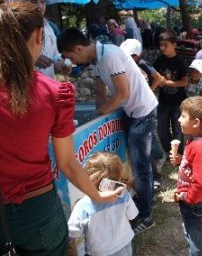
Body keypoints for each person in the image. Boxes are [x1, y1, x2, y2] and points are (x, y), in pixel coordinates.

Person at [0, 0, 121, 255]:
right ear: (39, 34)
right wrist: (97, 195)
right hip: (38, 210)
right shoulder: (53, 92)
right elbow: (67, 163)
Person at [57, 27, 158, 234]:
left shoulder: (110, 54)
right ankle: (145, 198)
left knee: (140, 167)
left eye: (70, 57)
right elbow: (101, 93)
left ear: (77, 48)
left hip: (142, 112)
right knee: (136, 162)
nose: (73, 63)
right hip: (130, 112)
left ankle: (146, 215)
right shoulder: (96, 59)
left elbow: (122, 93)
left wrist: (102, 111)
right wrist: (95, 117)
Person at [170, 96, 202, 256]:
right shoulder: (196, 140)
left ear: (196, 122)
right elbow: (194, 165)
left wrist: (189, 199)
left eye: (183, 116)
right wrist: (181, 160)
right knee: (196, 239)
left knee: (200, 249)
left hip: (199, 205)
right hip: (196, 203)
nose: (178, 119)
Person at [68, 152, 138, 256]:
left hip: (99, 252)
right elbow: (133, 215)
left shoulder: (82, 206)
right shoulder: (123, 195)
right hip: (124, 244)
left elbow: (73, 232)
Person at [119, 39, 166, 190]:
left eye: (131, 56)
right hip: (136, 107)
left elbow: (158, 77)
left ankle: (158, 163)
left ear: (136, 55)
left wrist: (148, 91)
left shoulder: (141, 64)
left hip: (146, 106)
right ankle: (159, 157)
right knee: (147, 139)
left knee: (148, 140)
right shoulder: (125, 64)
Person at [17, 0, 67, 78]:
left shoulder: (49, 27)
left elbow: (55, 53)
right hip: (26, 87)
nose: (39, 6)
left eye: (42, 1)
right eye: (34, 2)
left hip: (48, 85)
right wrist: (32, 59)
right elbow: (7, 58)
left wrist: (61, 63)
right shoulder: (15, 27)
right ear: (23, 3)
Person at [153, 30, 188, 154]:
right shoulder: (159, 60)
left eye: (166, 45)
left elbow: (184, 82)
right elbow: (155, 76)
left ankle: (179, 154)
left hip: (178, 102)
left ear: (174, 45)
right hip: (163, 101)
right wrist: (154, 84)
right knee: (161, 129)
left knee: (178, 129)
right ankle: (169, 152)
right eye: (161, 44)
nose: (162, 48)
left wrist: (167, 83)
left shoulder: (180, 61)